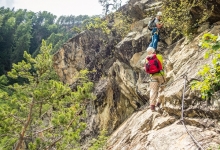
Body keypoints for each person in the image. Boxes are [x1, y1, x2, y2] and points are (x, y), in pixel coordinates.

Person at [145, 47, 165, 112]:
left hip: (152, 76)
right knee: (162, 89)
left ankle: (152, 106)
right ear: (154, 51)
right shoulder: (159, 56)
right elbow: (162, 65)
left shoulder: (147, 59)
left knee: (153, 90)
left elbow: (147, 69)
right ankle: (158, 103)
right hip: (160, 75)